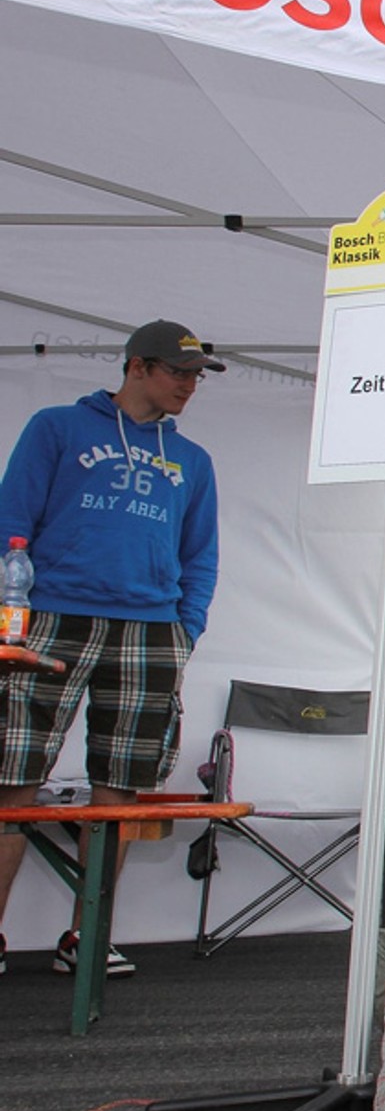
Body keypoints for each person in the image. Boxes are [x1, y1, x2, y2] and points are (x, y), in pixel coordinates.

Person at [0, 319, 224, 979]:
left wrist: (187, 627)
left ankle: (85, 936)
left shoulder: (193, 460)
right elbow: (13, 519)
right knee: (13, 778)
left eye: (195, 375)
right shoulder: (57, 428)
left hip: (150, 629)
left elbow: (200, 553)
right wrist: (14, 615)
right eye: (177, 372)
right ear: (137, 368)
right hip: (53, 617)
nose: (188, 385)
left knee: (121, 785)